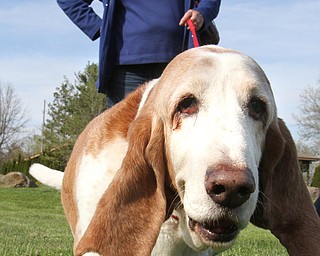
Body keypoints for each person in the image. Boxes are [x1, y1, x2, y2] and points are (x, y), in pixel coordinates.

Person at [57, 0, 221, 108]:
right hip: (126, 67)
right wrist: (98, 27)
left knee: (179, 136)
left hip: (178, 64)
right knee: (123, 138)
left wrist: (203, 14)